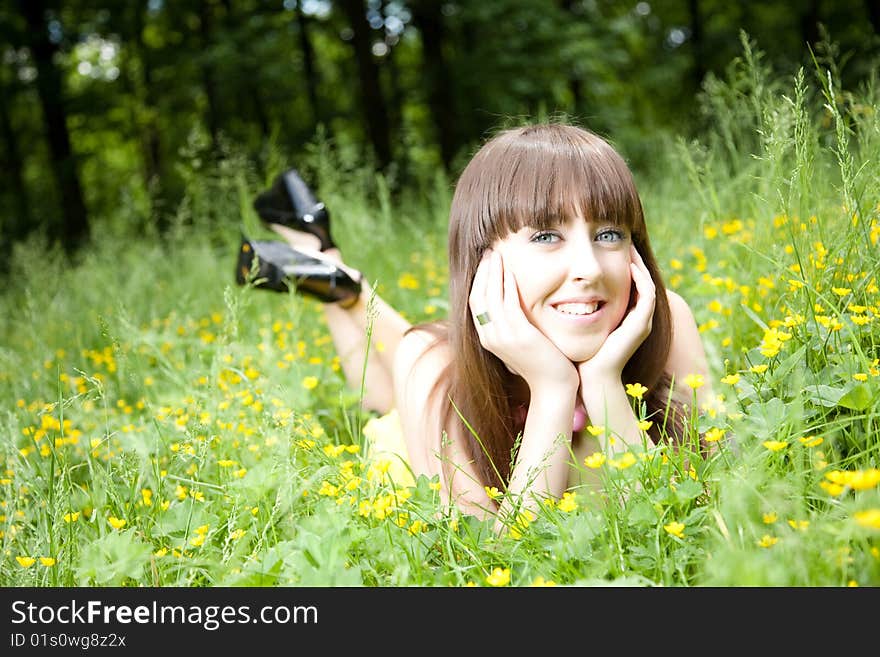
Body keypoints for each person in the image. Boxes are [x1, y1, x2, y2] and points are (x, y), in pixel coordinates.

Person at [237, 122, 714, 525]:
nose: (588, 267)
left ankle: (331, 273)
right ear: (483, 261)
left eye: (608, 233)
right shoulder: (434, 366)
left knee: (425, 357)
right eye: (547, 235)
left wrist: (607, 384)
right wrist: (552, 388)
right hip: (430, 418)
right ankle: (336, 277)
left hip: (450, 364)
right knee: (385, 399)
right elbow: (499, 562)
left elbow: (689, 523)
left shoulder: (668, 324)